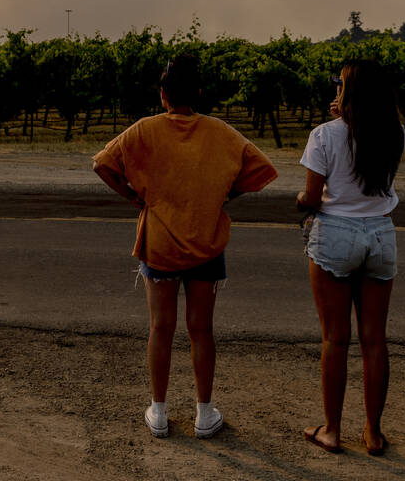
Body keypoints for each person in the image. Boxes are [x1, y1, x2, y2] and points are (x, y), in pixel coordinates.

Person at [93, 54, 278, 440]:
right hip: (206, 242)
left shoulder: (144, 130)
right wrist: (222, 196)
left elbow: (102, 164)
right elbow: (263, 169)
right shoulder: (221, 132)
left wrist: (132, 197)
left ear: (163, 95)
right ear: (197, 93)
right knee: (201, 329)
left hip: (159, 242)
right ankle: (204, 413)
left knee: (161, 327)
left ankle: (158, 412)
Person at [297, 59, 405, 456]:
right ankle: (373, 432)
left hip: (335, 235)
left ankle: (332, 430)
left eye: (339, 85)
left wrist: (299, 202)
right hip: (380, 233)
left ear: (349, 93)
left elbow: (311, 197)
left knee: (335, 338)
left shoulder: (323, 136)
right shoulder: (396, 134)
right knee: (375, 339)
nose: (334, 91)